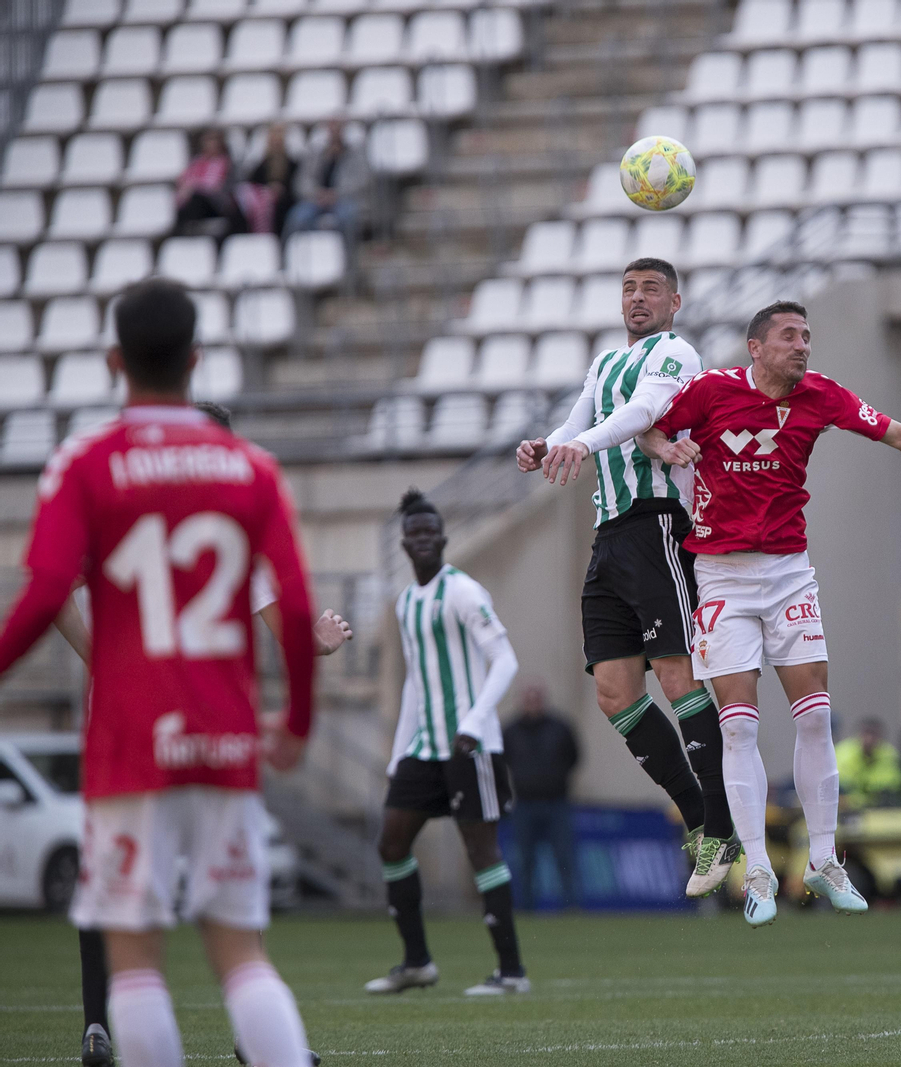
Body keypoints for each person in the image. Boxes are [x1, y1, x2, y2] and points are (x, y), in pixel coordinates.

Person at [0, 278, 318, 1067]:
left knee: (135, 961)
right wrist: (300, 720)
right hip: (223, 734)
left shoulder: (85, 463)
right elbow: (300, 610)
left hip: (129, 739)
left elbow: (43, 594)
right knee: (241, 954)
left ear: (115, 360)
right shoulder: (250, 468)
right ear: (196, 358)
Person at [639, 300, 901, 926]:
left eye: (808, 336)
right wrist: (665, 448)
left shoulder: (821, 395)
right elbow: (649, 426)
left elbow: (898, 433)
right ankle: (760, 871)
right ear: (756, 348)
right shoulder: (710, 392)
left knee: (816, 713)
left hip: (789, 570)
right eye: (790, 337)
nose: (802, 346)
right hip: (720, 574)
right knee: (738, 725)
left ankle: (823, 861)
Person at [53, 396, 347, 1067]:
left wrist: (103, 660)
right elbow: (290, 632)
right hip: (214, 728)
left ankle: (99, 1027)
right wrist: (320, 653)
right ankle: (260, 1044)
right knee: (236, 927)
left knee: (121, 897)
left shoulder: (115, 497)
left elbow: (49, 593)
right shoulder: (240, 512)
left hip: (128, 724)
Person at [513, 258, 736, 897]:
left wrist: (582, 446)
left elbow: (641, 416)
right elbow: (577, 420)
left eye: (651, 290)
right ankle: (698, 819)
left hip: (659, 524)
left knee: (675, 676)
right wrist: (546, 445)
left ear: (675, 301)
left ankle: (720, 822)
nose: (638, 300)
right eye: (629, 290)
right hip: (609, 533)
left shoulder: (676, 353)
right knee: (614, 692)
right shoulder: (606, 361)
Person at [365, 489, 528, 996]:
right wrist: (398, 753)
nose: (423, 540)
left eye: (430, 532)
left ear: (443, 538)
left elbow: (505, 660)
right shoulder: (407, 602)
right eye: (414, 534)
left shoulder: (463, 592)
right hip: (425, 748)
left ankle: (511, 973)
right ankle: (417, 963)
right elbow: (416, 680)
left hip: (469, 746)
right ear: (404, 543)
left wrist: (476, 722)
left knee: (480, 850)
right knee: (391, 843)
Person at [500, 681, 581, 908]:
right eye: (529, 699)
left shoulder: (560, 727)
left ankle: (572, 907)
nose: (533, 704)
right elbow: (503, 762)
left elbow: (574, 757)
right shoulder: (511, 731)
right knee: (525, 860)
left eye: (537, 698)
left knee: (565, 858)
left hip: (557, 803)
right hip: (524, 804)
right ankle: (525, 908)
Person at [283, 119, 367, 246]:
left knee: (347, 218)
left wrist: (336, 194)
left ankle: (348, 260)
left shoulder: (354, 156)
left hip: (343, 200)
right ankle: (293, 257)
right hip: (315, 200)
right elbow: (301, 182)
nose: (334, 134)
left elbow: (361, 181)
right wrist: (317, 194)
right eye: (331, 130)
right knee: (298, 217)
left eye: (337, 130)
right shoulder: (315, 155)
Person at [174, 128, 245, 237]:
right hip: (197, 201)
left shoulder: (226, 163)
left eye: (213, 140)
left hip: (217, 204)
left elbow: (221, 189)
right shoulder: (196, 162)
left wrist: (196, 187)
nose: (210, 144)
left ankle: (185, 231)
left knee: (196, 197)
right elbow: (183, 182)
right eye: (208, 140)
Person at [239, 124, 298, 237]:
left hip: (286, 201)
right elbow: (252, 184)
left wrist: (280, 190)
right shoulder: (262, 165)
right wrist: (267, 190)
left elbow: (295, 186)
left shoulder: (292, 164)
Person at [835, 717, 901, 808]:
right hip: (846, 811)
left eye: (874, 734)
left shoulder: (890, 756)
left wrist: (855, 800)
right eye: (866, 733)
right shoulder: (842, 753)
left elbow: (889, 790)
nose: (869, 739)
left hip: (878, 810)